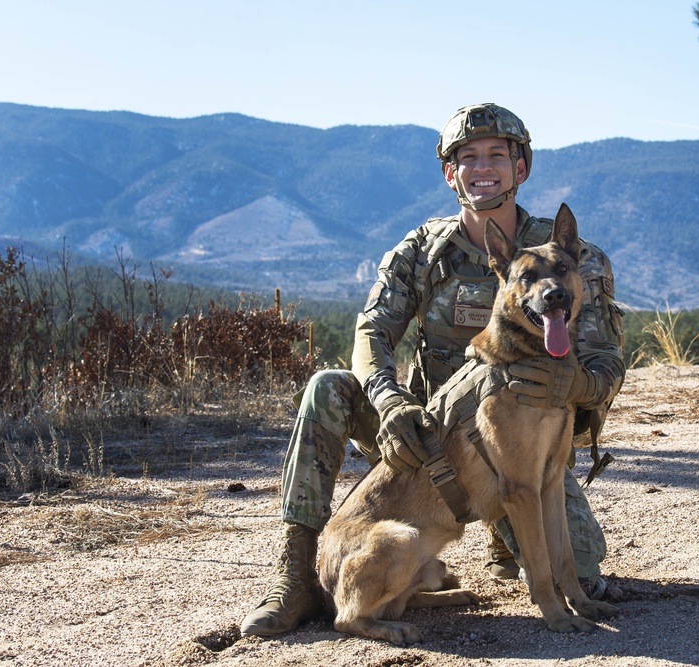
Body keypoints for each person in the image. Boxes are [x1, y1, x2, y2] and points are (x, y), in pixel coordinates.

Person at [240, 103, 626, 638]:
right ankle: (296, 579)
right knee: (326, 388)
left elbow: (607, 360)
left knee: (582, 567)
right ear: (451, 173)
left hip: (522, 434)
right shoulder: (423, 249)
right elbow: (371, 334)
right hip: (423, 436)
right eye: (468, 157)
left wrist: (577, 383)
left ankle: (497, 540)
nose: (483, 167)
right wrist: (390, 403)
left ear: (522, 167)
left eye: (498, 155)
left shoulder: (565, 255)